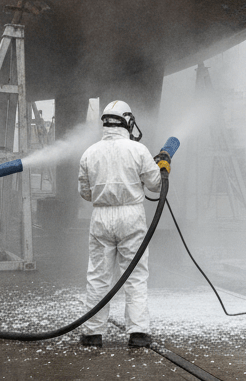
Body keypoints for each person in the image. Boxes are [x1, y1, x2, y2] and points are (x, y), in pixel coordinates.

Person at [78, 99, 164, 349]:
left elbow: (85, 193)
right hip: (131, 216)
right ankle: (138, 333)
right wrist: (161, 168)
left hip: (101, 216)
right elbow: (156, 185)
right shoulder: (139, 150)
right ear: (127, 121)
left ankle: (93, 333)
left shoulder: (89, 152)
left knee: (98, 276)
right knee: (135, 275)